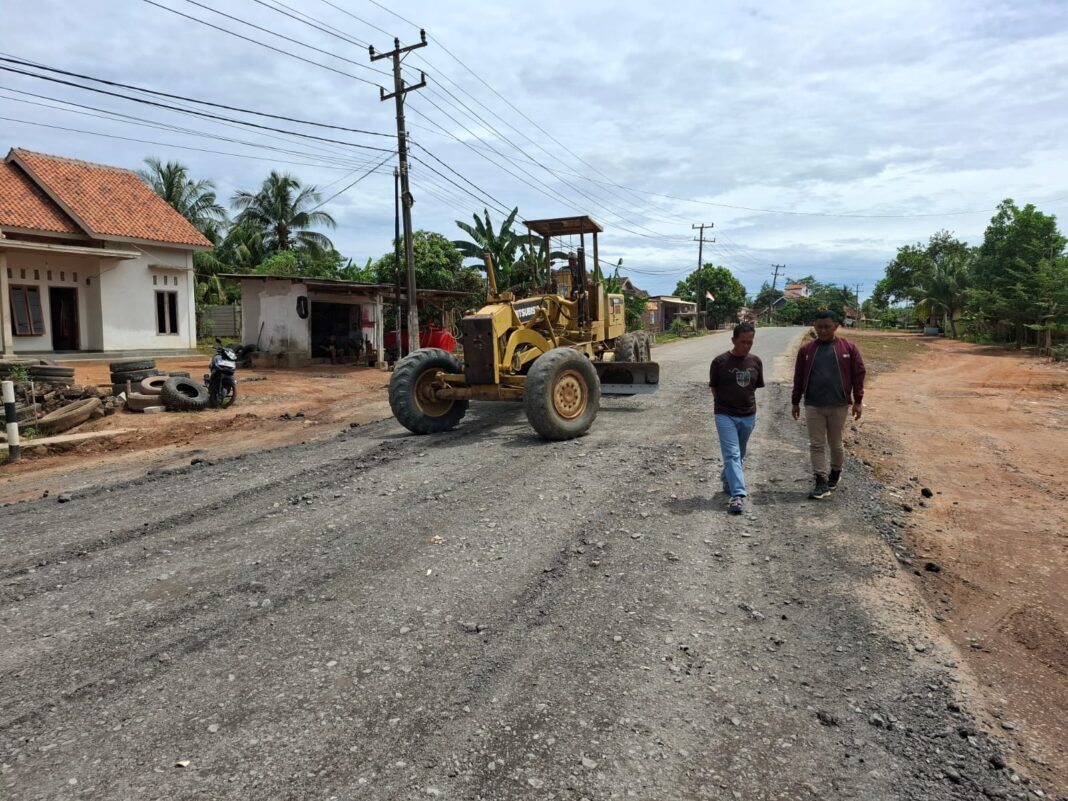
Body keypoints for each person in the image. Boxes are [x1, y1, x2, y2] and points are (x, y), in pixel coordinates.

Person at [791, 310, 866, 500]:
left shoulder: (848, 348)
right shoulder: (806, 351)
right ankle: (820, 481)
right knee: (816, 445)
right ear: (814, 326)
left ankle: (835, 472)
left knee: (835, 444)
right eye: (819, 326)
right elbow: (798, 378)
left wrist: (858, 401)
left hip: (839, 405)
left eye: (827, 327)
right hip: (813, 405)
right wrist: (795, 401)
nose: (823, 330)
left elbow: (859, 374)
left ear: (836, 326)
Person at [709, 322, 765, 514]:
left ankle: (727, 478)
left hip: (748, 415)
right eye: (743, 342)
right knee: (732, 454)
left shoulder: (755, 362)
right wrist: (722, 402)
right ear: (733, 340)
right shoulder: (719, 362)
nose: (746, 346)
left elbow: (754, 385)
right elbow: (714, 386)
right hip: (724, 414)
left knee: (739, 454)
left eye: (750, 342)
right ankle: (738, 495)